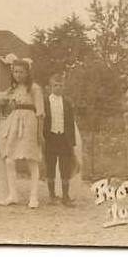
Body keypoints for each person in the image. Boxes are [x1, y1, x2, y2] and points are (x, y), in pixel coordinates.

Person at [0, 57, 45, 208]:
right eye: (15, 72)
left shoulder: (35, 88)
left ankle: (34, 197)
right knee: (9, 159)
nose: (18, 75)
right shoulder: (12, 89)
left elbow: (40, 113)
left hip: (30, 123)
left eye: (21, 72)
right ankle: (13, 195)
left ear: (27, 73)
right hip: (14, 122)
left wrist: (40, 133)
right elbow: (0, 99)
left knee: (31, 160)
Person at [42, 73, 78, 206]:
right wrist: (41, 138)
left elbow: (70, 124)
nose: (58, 88)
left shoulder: (67, 102)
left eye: (60, 86)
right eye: (55, 85)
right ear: (50, 87)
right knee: (50, 167)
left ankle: (65, 196)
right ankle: (52, 196)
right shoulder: (45, 101)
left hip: (64, 138)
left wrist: (72, 143)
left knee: (65, 168)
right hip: (50, 138)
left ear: (64, 87)